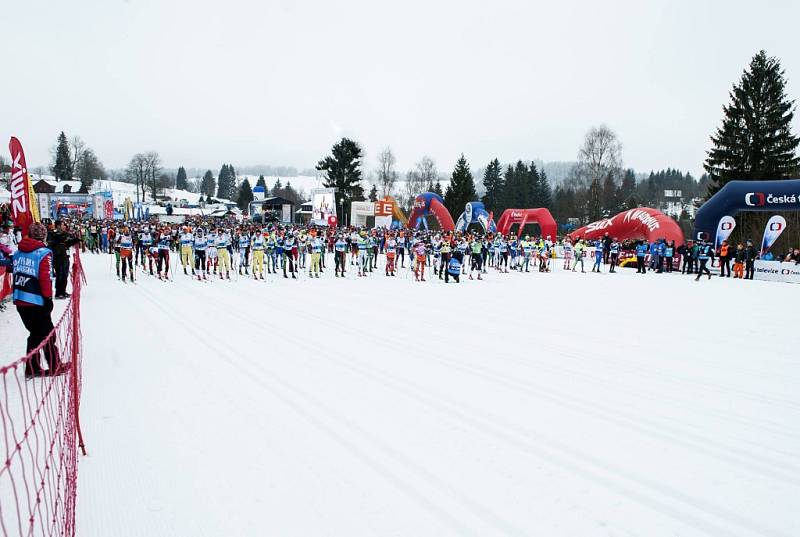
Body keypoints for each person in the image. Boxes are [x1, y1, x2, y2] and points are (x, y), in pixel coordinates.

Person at [13, 222, 66, 378]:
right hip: (37, 301)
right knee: (48, 335)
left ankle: (32, 367)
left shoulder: (17, 252)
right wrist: (48, 298)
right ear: (43, 235)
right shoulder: (43, 253)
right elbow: (45, 277)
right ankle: (53, 365)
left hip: (21, 299)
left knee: (35, 334)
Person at [47, 220, 80, 299]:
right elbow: (52, 243)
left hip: (65, 256)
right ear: (58, 226)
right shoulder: (52, 233)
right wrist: (61, 238)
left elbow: (67, 243)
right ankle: (58, 293)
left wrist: (75, 240)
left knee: (65, 274)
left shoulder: (65, 233)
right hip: (58, 257)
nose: (64, 226)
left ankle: (63, 291)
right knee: (60, 274)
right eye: (62, 225)